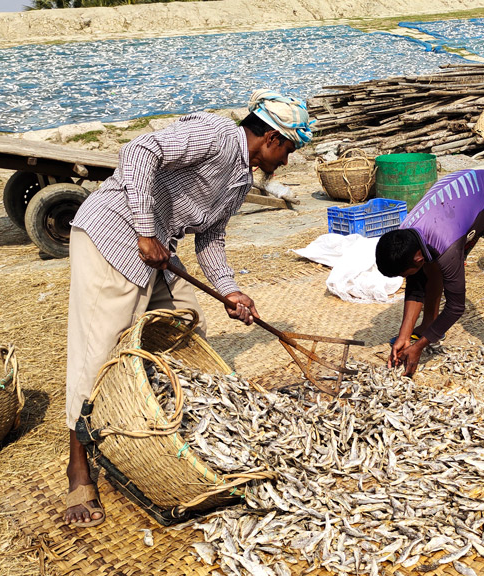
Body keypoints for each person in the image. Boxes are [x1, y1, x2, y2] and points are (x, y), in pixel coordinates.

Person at [63, 89, 314, 527]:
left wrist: (231, 291)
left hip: (160, 253)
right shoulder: (216, 133)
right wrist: (145, 231)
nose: (286, 162)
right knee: (98, 351)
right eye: (289, 150)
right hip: (113, 237)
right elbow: (139, 151)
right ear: (273, 138)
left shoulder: (239, 181)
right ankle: (78, 467)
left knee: (185, 325)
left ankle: (160, 428)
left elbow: (211, 240)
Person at [375, 169, 484, 391]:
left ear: (417, 257)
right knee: (430, 266)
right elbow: (416, 284)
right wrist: (404, 336)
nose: (405, 279)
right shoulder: (406, 233)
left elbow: (456, 307)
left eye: (404, 273)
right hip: (464, 207)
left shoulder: (446, 245)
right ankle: (429, 324)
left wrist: (419, 346)